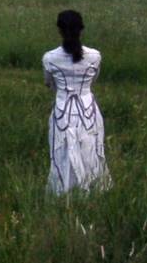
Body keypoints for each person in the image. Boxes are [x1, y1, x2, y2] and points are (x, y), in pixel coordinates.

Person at [42, 10, 111, 195]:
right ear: (81, 29)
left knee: (62, 152)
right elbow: (93, 79)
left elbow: (49, 83)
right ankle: (93, 190)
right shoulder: (95, 56)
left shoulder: (49, 58)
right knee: (91, 150)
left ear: (59, 30)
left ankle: (64, 192)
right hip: (88, 110)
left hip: (62, 110)